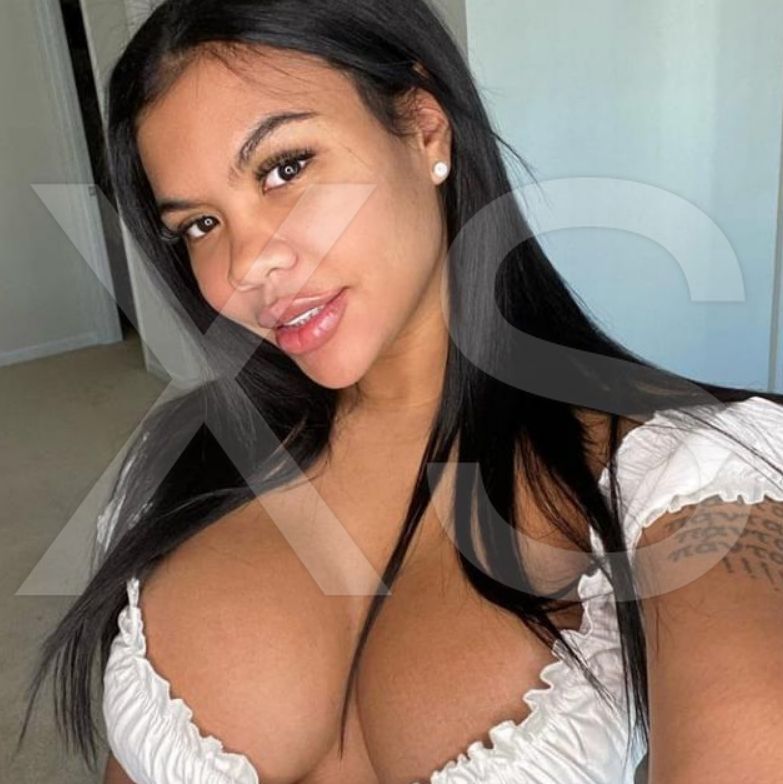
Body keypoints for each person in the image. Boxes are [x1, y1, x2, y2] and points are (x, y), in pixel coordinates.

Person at [16, 1, 783, 783]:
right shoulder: (174, 468)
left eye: (285, 167)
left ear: (423, 126)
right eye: (201, 225)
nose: (247, 266)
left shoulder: (690, 485)